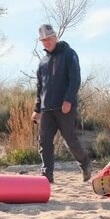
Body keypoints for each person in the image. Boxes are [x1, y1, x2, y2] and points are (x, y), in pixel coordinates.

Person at [31, 24, 91, 184]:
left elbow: (75, 79)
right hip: (47, 109)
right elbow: (39, 87)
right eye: (43, 40)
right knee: (44, 141)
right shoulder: (42, 62)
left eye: (49, 38)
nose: (46, 42)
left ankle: (85, 163)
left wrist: (69, 100)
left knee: (70, 139)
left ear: (55, 37)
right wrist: (37, 108)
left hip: (64, 107)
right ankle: (47, 175)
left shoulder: (69, 54)